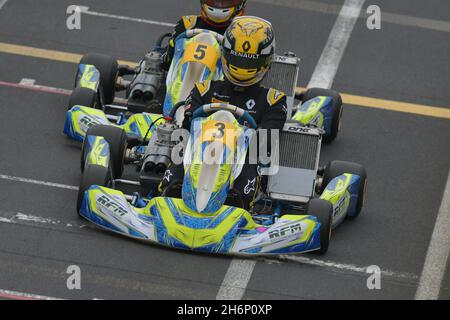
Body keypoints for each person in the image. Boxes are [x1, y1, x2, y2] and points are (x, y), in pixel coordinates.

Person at [160, 16, 287, 210]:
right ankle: (174, 189)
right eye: (237, 60)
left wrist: (239, 132)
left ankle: (237, 203)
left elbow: (265, 142)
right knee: (183, 144)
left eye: (249, 63)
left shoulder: (273, 100)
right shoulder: (204, 88)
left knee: (253, 157)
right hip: (200, 151)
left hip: (239, 158)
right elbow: (186, 124)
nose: (242, 68)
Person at [162, 0, 247, 70]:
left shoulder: (244, 32)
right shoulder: (188, 24)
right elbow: (168, 62)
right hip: (180, 82)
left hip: (221, 86)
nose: (219, 4)